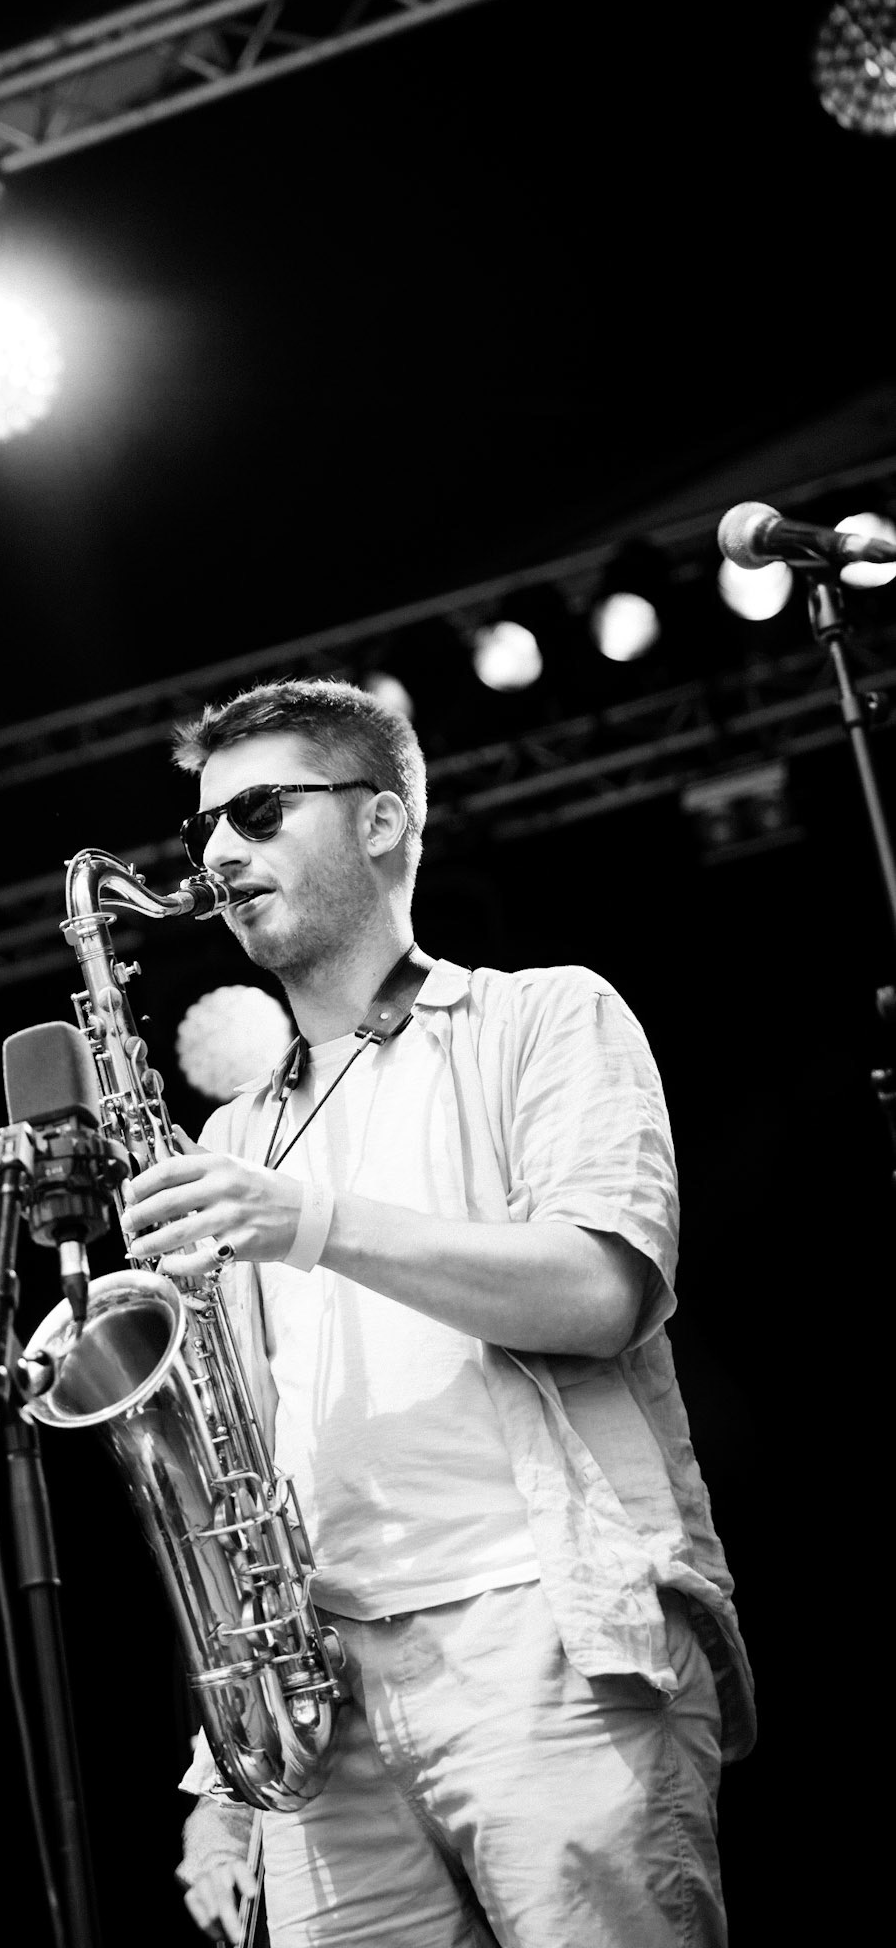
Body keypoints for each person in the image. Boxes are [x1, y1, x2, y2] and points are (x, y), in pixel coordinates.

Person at [118, 678, 754, 1948]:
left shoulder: (545, 1015)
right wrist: (223, 1776)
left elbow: (599, 1290)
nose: (221, 854)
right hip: (322, 1707)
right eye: (203, 832)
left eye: (257, 810)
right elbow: (248, 1464)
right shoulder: (235, 1134)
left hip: (548, 1648)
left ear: (384, 820)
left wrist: (311, 1218)